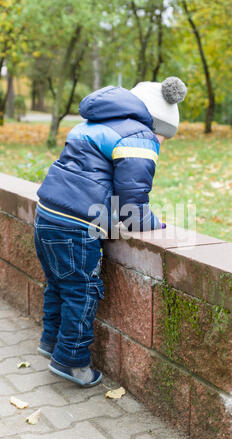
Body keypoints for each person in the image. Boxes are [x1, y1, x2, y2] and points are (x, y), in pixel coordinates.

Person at [34, 76, 187, 387]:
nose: (160, 144)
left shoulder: (90, 124)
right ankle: (71, 360)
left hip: (46, 214)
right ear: (154, 122)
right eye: (163, 137)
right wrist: (152, 223)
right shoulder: (139, 136)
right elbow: (133, 202)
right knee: (82, 290)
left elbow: (93, 176)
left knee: (58, 284)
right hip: (77, 225)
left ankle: (50, 342)